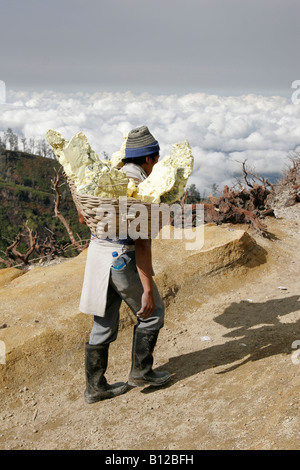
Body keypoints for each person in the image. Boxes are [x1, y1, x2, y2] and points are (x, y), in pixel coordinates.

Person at [79, 126, 171, 404]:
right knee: (153, 313)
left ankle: (95, 387)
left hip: (98, 257)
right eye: (155, 161)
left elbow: (85, 219)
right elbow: (142, 244)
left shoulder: (108, 179)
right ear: (147, 160)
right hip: (122, 260)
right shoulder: (142, 190)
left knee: (104, 323)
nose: (155, 166)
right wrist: (147, 290)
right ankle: (141, 372)